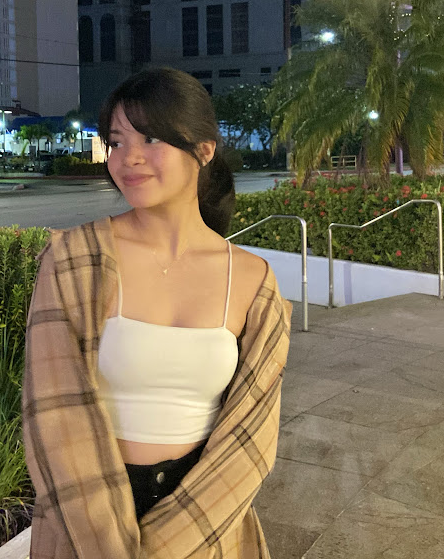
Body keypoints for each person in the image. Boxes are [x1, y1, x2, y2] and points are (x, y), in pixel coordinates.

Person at [22, 67, 292, 558]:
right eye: (116, 141)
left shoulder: (253, 280)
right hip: (84, 526)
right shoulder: (72, 260)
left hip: (207, 524)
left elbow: (251, 438)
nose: (128, 158)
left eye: (150, 138)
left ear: (204, 149)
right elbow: (54, 419)